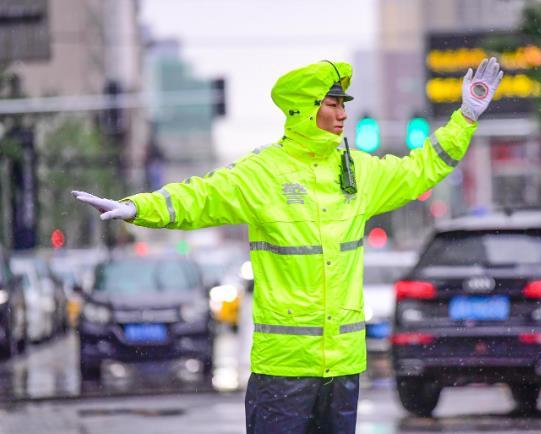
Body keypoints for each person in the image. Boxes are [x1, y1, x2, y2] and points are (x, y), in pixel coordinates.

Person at [72, 58, 503, 433]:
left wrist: (465, 117)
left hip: (343, 370)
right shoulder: (264, 172)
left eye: (342, 105)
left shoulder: (359, 173)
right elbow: (199, 197)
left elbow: (421, 169)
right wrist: (136, 208)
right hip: (282, 374)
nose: (341, 115)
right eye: (332, 104)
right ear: (304, 110)